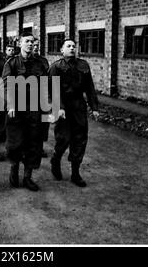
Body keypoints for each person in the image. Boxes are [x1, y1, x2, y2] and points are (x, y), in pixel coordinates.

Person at [48, 39, 99, 187]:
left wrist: (94, 107)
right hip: (63, 107)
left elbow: (90, 88)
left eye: (73, 46)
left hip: (78, 107)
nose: (72, 48)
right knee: (63, 139)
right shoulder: (56, 67)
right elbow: (53, 91)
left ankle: (75, 173)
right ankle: (56, 160)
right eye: (68, 46)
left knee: (80, 139)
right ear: (61, 49)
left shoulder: (83, 65)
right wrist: (60, 107)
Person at [2, 32, 47, 191]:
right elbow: (7, 85)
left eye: (32, 42)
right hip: (17, 108)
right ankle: (14, 169)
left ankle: (28, 177)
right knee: (15, 142)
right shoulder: (12, 63)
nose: (30, 44)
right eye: (26, 41)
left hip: (35, 108)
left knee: (34, 143)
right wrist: (11, 104)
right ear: (20, 43)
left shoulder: (41, 63)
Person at [33, 39, 50, 158]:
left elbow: (48, 77)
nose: (35, 47)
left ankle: (40, 148)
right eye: (33, 45)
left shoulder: (43, 61)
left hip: (42, 96)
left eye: (37, 45)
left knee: (44, 122)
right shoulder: (26, 61)